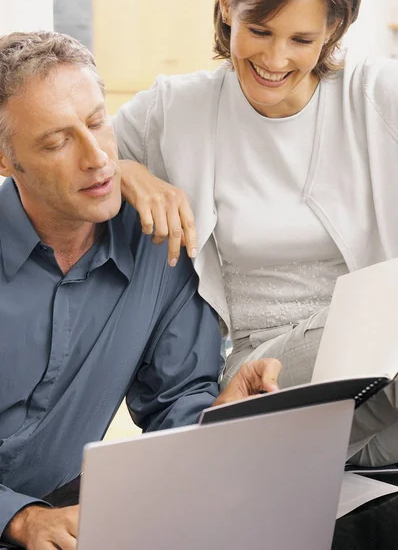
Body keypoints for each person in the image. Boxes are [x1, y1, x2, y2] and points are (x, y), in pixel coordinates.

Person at [115, 0, 398, 468]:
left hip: (383, 359)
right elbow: (81, 159)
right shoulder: (177, 109)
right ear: (227, 5)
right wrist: (130, 172)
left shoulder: (375, 95)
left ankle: (328, 461)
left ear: (333, 29)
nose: (275, 60)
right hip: (264, 369)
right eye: (260, 30)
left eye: (302, 40)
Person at [0, 30, 281, 550]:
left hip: (70, 522)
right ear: (5, 158)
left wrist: (220, 413)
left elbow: (175, 400)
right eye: (57, 141)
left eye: (95, 122)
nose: (96, 157)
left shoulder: (157, 243)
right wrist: (18, 519)